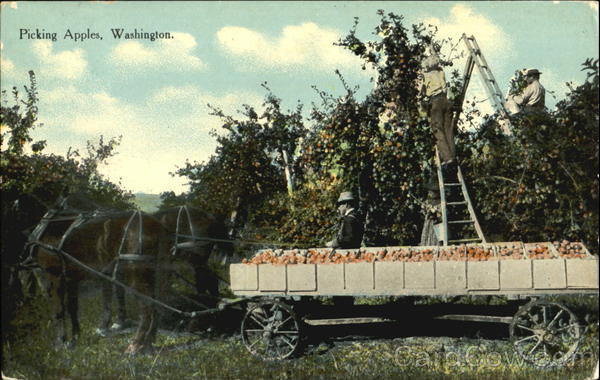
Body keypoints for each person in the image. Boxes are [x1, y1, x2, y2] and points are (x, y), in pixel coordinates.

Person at [420, 49, 456, 166]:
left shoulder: (425, 75)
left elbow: (421, 92)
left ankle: (448, 159)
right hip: (446, 101)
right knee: (448, 130)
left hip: (435, 102)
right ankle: (453, 157)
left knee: (438, 130)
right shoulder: (441, 72)